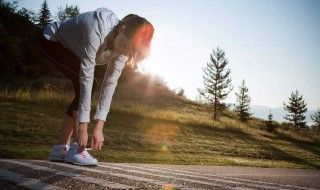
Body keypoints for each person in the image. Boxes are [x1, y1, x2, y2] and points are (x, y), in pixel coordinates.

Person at [40, 7, 154, 166]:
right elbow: (86, 77)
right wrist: (83, 128)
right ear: (121, 30)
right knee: (88, 85)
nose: (124, 53)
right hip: (54, 41)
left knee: (90, 85)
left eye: (130, 52)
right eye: (125, 46)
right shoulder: (96, 28)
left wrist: (99, 127)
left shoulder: (124, 49)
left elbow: (110, 84)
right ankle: (76, 148)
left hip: (74, 49)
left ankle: (59, 149)